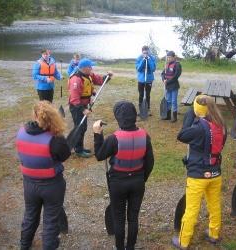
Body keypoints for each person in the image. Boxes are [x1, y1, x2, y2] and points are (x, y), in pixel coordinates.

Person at [93, 101, 154, 250]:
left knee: (119, 218)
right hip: (137, 182)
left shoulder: (114, 138)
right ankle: (130, 247)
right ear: (134, 116)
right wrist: (142, 178)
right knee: (133, 218)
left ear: (118, 118)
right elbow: (150, 162)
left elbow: (100, 155)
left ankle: (120, 247)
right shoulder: (145, 136)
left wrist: (97, 134)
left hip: (118, 183)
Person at [172, 95, 227, 249]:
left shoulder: (198, 128)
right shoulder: (221, 125)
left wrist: (190, 115)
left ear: (197, 109)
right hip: (215, 172)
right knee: (214, 204)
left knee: (191, 209)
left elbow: (182, 135)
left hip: (198, 175)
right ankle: (214, 233)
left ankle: (183, 241)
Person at [16, 101, 71, 250]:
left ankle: (24, 246)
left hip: (29, 184)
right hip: (52, 185)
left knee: (30, 217)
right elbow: (65, 155)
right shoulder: (55, 139)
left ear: (34, 116)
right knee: (51, 222)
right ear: (53, 118)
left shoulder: (21, 132)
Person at [68, 58, 112, 158]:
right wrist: (83, 110)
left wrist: (108, 76)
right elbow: (74, 99)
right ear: (84, 68)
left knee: (83, 127)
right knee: (80, 127)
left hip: (83, 105)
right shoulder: (76, 79)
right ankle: (78, 150)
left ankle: (80, 147)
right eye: (90, 66)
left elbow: (100, 80)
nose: (92, 68)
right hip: (76, 107)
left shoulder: (88, 74)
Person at [161, 50, 182, 122]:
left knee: (173, 101)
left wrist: (168, 81)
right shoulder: (166, 65)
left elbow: (176, 75)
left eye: (170, 57)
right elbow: (163, 74)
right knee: (168, 101)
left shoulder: (177, 64)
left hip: (174, 86)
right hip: (167, 86)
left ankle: (175, 117)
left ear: (173, 57)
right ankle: (168, 116)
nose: (168, 59)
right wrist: (164, 79)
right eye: (167, 57)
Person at [135, 45, 156, 116]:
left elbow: (153, 69)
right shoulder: (139, 58)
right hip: (141, 80)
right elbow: (138, 69)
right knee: (141, 95)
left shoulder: (152, 58)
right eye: (144, 53)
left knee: (147, 95)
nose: (146, 54)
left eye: (147, 52)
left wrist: (148, 59)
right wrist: (143, 60)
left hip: (149, 80)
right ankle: (141, 109)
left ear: (149, 51)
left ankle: (148, 109)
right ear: (142, 52)